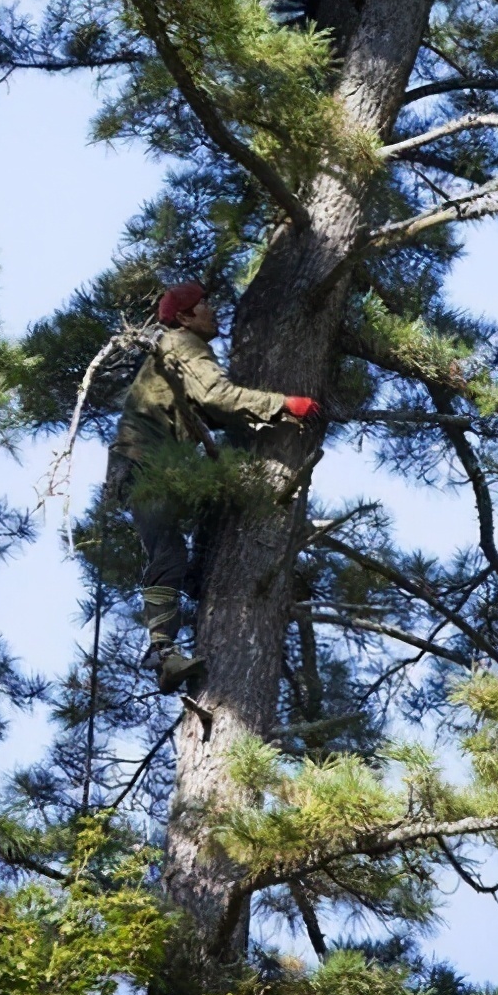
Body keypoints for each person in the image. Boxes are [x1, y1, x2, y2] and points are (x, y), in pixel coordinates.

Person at [107, 282, 321, 695]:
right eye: (203, 304)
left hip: (151, 464)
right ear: (185, 316)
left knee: (210, 509)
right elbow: (217, 396)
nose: (212, 309)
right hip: (148, 463)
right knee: (167, 551)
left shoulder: (176, 346)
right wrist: (283, 405)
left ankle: (196, 578)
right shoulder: (182, 343)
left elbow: (207, 408)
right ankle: (161, 650)